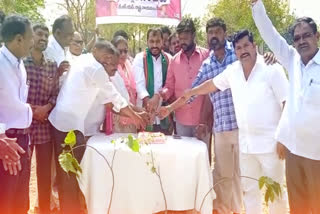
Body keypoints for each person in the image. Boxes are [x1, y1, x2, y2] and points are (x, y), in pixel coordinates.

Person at [160, 29, 289, 214]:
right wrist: (192, 92)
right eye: (238, 48)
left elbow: (287, 102)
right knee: (249, 190)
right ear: (235, 51)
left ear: (254, 46)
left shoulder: (272, 69)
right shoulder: (233, 71)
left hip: (271, 144)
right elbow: (212, 84)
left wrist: (283, 137)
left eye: (246, 45)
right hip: (246, 145)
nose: (243, 50)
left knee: (276, 191)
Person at [49, 40, 148, 214]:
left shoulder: (86, 60)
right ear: (107, 58)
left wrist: (136, 113)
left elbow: (111, 102)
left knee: (70, 176)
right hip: (67, 127)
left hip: (66, 124)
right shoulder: (96, 69)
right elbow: (115, 98)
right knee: (69, 177)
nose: (115, 71)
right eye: (114, 66)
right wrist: (137, 119)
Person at [251, 0, 320, 213]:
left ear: (317, 37)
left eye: (307, 35)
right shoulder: (292, 61)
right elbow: (269, 33)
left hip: (317, 155)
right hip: (294, 151)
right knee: (298, 207)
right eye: (297, 38)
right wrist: (256, 5)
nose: (301, 41)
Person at [24, 23, 59, 214]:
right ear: (31, 37)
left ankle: (44, 209)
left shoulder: (51, 65)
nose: (43, 38)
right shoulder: (21, 63)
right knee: (23, 172)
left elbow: (55, 94)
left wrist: (46, 108)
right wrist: (32, 110)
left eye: (46, 35)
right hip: (24, 126)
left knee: (45, 173)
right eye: (39, 34)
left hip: (45, 125)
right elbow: (15, 95)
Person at [0, 15, 34, 214]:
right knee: (6, 200)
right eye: (30, 37)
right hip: (5, 142)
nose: (32, 43)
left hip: (21, 139)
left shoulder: (19, 64)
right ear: (19, 39)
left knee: (20, 200)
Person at [159, 18, 211, 143]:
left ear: (193, 35)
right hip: (182, 120)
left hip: (202, 121)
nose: (182, 42)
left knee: (202, 158)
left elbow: (211, 88)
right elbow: (169, 86)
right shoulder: (174, 61)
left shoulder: (207, 56)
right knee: (184, 158)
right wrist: (162, 94)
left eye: (185, 38)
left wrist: (205, 120)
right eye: (180, 38)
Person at [133, 28, 172, 134]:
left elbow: (169, 83)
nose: (154, 45)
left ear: (162, 42)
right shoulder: (140, 58)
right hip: (145, 110)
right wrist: (148, 104)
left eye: (158, 41)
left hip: (162, 111)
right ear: (147, 42)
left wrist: (158, 96)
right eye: (151, 41)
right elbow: (139, 83)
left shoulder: (169, 59)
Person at [111, 36, 138, 133]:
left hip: (132, 113)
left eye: (125, 51)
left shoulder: (129, 66)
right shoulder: (111, 70)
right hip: (117, 116)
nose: (123, 54)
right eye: (119, 51)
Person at [44, 15, 74, 86]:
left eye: (73, 34)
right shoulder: (47, 49)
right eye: (70, 34)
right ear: (58, 33)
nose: (72, 38)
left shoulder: (65, 47)